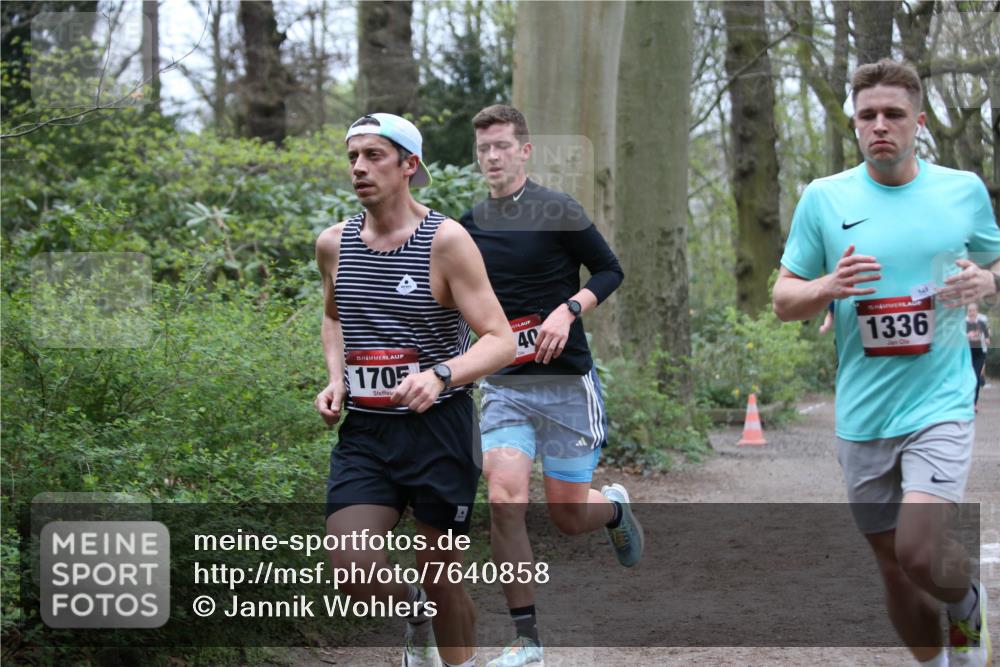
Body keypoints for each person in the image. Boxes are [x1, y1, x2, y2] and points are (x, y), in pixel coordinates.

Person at [773, 59, 1000, 667]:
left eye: (893, 114)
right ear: (855, 124)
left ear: (918, 123)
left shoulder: (963, 191)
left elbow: (996, 264)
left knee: (920, 551)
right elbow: (783, 299)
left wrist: (986, 278)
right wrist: (828, 287)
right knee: (894, 569)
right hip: (865, 410)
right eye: (867, 115)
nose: (880, 125)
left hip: (941, 399)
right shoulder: (825, 199)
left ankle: (966, 603)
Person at [314, 113, 515, 667]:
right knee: (352, 568)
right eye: (353, 156)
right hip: (368, 432)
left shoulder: (446, 241)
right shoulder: (333, 245)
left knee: (442, 577)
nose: (359, 167)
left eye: (374, 155)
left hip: (440, 431)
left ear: (409, 166)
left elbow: (500, 341)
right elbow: (334, 317)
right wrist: (336, 378)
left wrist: (441, 374)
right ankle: (414, 613)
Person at [459, 104, 642, 667]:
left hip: (565, 386)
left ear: (525, 150)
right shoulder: (466, 228)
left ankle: (611, 510)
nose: (492, 156)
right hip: (506, 385)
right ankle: (526, 641)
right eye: (484, 148)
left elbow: (610, 270)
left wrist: (567, 310)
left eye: (502, 146)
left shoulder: (556, 208)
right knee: (504, 500)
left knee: (566, 517)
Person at [965, 303, 991, 410]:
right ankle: (966, 402)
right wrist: (967, 336)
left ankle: (974, 404)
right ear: (967, 312)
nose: (971, 313)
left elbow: (987, 338)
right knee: (966, 378)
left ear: (977, 312)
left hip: (979, 354)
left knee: (975, 378)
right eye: (969, 311)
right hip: (966, 354)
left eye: (973, 311)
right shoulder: (963, 324)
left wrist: (986, 339)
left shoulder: (981, 323)